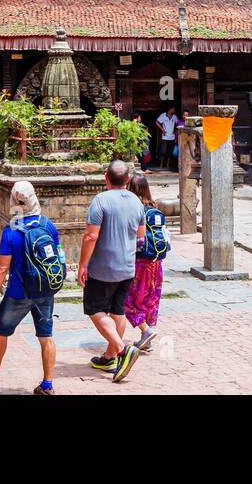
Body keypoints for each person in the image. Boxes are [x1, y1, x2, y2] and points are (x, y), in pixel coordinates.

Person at [0, 180, 60, 395]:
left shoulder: (11, 231)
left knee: (1, 333)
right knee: (46, 337)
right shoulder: (47, 225)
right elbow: (57, 256)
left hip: (18, 292)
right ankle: (47, 385)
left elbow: (1, 269)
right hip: (45, 290)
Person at [77, 159, 146, 383]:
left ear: (106, 177)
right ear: (128, 180)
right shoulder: (137, 202)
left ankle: (121, 349)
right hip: (127, 267)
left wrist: (83, 264)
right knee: (118, 312)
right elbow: (141, 238)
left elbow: (90, 236)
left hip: (103, 268)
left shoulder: (100, 201)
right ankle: (108, 357)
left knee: (95, 309)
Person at [123, 174, 167, 354]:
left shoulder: (135, 210)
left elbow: (136, 240)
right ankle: (146, 339)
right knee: (149, 300)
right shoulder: (154, 208)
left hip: (140, 263)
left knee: (126, 300)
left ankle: (146, 331)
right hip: (156, 263)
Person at [156, 107, 181, 171]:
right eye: (173, 109)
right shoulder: (163, 115)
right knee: (163, 151)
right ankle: (161, 164)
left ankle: (167, 164)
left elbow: (177, 125)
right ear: (169, 109)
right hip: (165, 136)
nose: (174, 110)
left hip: (172, 137)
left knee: (170, 152)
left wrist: (175, 133)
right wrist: (162, 129)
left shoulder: (174, 116)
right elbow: (157, 122)